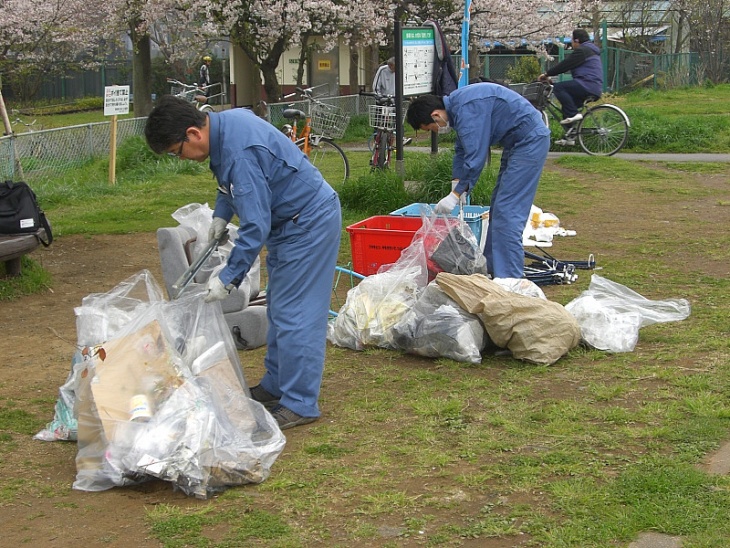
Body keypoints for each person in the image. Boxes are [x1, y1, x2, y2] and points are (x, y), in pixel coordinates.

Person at [144, 95, 342, 430]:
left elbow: (255, 226)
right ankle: (276, 384)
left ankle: (299, 402)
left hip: (307, 223)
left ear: (193, 133)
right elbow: (229, 184)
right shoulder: (224, 126)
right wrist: (221, 215)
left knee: (298, 315)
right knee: (280, 307)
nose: (184, 159)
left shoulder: (239, 151)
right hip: (290, 222)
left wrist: (229, 277)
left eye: (178, 152)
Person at [406, 83, 551, 280]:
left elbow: (476, 156)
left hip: (529, 141)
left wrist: (456, 194)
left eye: (431, 128)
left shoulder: (467, 108)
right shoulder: (458, 107)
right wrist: (456, 181)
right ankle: (491, 269)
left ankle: (509, 280)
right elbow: (462, 148)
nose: (436, 131)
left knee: (508, 212)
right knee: (498, 207)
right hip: (517, 143)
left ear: (435, 115)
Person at [539, 29, 603, 146]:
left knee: (559, 88)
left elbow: (565, 65)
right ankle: (569, 136)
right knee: (566, 105)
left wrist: (547, 74)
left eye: (572, 40)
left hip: (587, 85)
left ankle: (574, 114)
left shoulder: (583, 51)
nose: (571, 43)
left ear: (576, 40)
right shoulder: (589, 50)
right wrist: (551, 78)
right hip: (592, 86)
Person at [371, 56, 412, 146]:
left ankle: (400, 138)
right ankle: (376, 140)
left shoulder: (401, 71)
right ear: (390, 65)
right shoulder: (382, 70)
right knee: (378, 119)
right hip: (382, 99)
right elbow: (376, 86)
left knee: (398, 119)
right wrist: (379, 97)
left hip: (395, 99)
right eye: (394, 67)